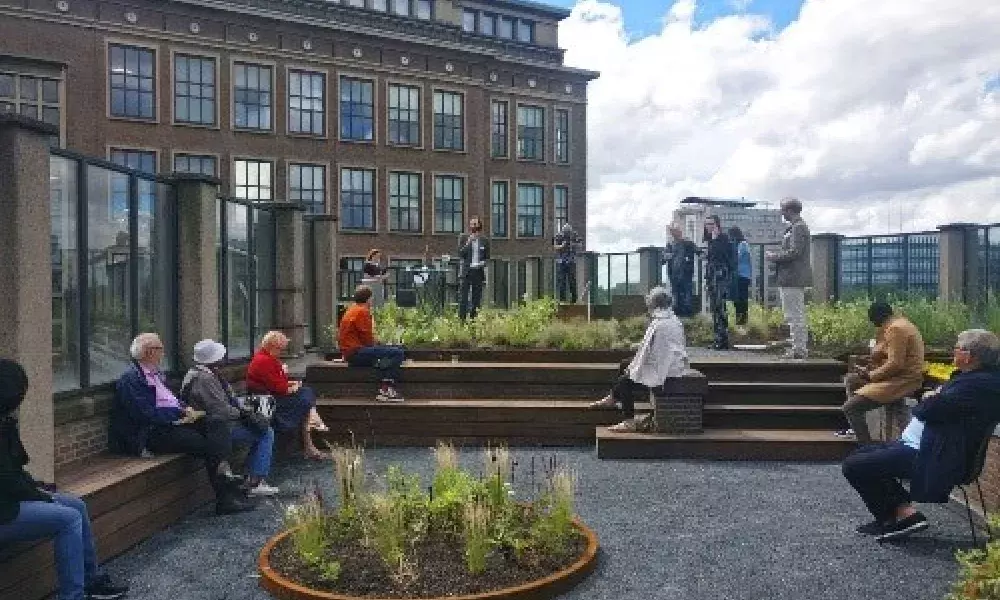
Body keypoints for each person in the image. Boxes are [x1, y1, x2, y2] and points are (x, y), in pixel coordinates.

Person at [842, 329, 1000, 541]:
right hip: (926, 446)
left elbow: (928, 410)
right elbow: (938, 405)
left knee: (855, 465)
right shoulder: (972, 379)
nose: (953, 351)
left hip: (935, 455)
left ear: (969, 355)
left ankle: (901, 517)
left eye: (957, 348)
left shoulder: (979, 385)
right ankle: (898, 516)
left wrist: (930, 396)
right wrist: (933, 397)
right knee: (863, 454)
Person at [0, 359, 131, 600]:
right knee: (68, 518)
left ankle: (93, 582)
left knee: (77, 505)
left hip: (10, 501)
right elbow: (7, 480)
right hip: (4, 511)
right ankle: (73, 596)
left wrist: (38, 488)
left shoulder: (5, 422)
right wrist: (41, 496)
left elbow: (15, 470)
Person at [108, 333, 254, 515]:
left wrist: (186, 409)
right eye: (160, 349)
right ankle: (227, 492)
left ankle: (227, 489)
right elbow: (145, 413)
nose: (163, 353)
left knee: (217, 422)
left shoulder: (155, 374)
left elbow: (171, 400)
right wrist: (181, 413)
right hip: (151, 433)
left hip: (174, 422)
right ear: (148, 352)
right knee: (207, 444)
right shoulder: (132, 379)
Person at [182, 340, 279, 497]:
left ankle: (253, 478)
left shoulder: (201, 373)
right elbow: (220, 410)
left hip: (213, 424)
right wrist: (245, 414)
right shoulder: (205, 379)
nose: (222, 360)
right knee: (266, 432)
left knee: (262, 428)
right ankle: (255, 481)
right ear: (213, 359)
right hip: (214, 428)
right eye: (219, 357)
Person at [588, 287, 689, 432]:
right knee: (625, 364)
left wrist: (633, 369)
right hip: (673, 365)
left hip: (666, 371)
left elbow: (649, 354)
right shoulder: (673, 320)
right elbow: (655, 349)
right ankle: (612, 398)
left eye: (649, 302)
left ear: (653, 304)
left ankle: (628, 421)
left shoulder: (659, 324)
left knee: (625, 382)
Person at [835, 302, 925, 443]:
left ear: (877, 318)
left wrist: (871, 375)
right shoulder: (899, 324)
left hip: (902, 380)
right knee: (852, 380)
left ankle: (866, 446)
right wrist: (871, 365)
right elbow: (888, 353)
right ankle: (858, 428)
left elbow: (896, 364)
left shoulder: (896, 329)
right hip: (898, 377)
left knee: (850, 408)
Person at [246, 331, 328, 461]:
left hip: (271, 397)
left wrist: (291, 384)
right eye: (281, 349)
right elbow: (279, 389)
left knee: (306, 393)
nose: (282, 352)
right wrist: (293, 387)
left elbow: (277, 382)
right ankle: (309, 442)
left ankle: (309, 443)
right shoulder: (264, 361)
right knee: (306, 395)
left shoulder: (267, 358)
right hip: (267, 401)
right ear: (272, 347)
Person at [339, 285, 406, 402]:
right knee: (397, 353)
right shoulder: (362, 311)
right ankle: (386, 390)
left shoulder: (352, 309)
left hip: (351, 352)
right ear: (369, 299)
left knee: (395, 350)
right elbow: (367, 340)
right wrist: (382, 346)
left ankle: (382, 364)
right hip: (356, 353)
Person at [765, 197, 812, 359]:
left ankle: (799, 349)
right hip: (791, 277)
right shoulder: (795, 227)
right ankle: (797, 347)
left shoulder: (798, 227)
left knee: (794, 314)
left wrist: (774, 256)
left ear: (789, 210)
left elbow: (795, 252)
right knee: (793, 314)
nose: (781, 213)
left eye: (783, 209)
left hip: (793, 276)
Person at [703, 215, 736, 350]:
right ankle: (718, 339)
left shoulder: (722, 239)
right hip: (712, 277)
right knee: (715, 308)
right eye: (707, 224)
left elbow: (722, 256)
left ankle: (722, 340)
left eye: (711, 224)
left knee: (719, 307)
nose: (709, 226)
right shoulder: (711, 240)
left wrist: (715, 240)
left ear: (717, 224)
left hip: (720, 276)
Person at [457, 216, 490, 321]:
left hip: (478, 271)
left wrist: (483, 263)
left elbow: (487, 258)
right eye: (471, 224)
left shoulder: (485, 240)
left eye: (475, 224)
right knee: (463, 297)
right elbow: (460, 254)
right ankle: (461, 321)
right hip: (467, 272)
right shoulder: (463, 237)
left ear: (479, 225)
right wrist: (468, 242)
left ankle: (473, 321)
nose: (473, 226)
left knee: (476, 298)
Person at [664, 224, 698, 318]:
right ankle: (677, 313)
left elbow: (697, 250)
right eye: (671, 231)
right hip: (674, 274)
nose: (673, 233)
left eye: (675, 230)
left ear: (679, 231)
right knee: (676, 294)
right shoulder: (670, 244)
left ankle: (687, 313)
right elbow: (664, 258)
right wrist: (667, 256)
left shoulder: (687, 243)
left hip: (686, 273)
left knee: (687, 293)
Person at [729, 227, 752, 327]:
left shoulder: (743, 244)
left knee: (742, 299)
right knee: (737, 299)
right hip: (739, 275)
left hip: (742, 275)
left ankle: (742, 321)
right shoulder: (741, 244)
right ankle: (739, 321)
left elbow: (736, 258)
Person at [553, 223, 581, 304]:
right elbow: (555, 246)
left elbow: (580, 244)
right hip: (561, 261)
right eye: (566, 232)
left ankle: (574, 299)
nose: (567, 234)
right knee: (562, 281)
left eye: (568, 232)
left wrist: (573, 245)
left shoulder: (574, 235)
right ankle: (562, 300)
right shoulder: (559, 236)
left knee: (572, 280)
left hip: (571, 261)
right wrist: (562, 245)